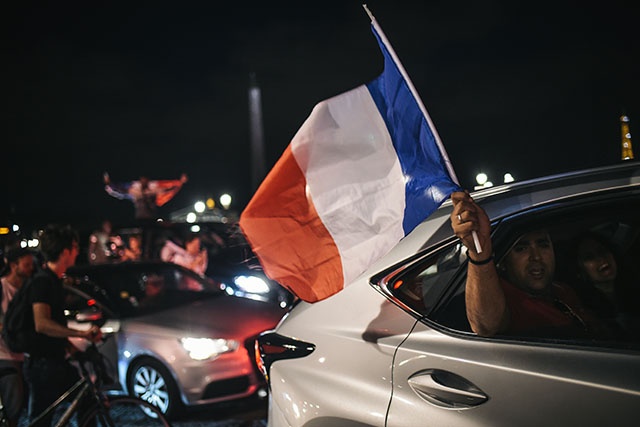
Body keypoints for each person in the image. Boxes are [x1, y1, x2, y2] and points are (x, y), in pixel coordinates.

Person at [450, 191, 605, 339]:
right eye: (521, 248)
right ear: (504, 262)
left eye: (543, 244)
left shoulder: (563, 291)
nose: (536, 257)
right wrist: (480, 253)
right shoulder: (505, 299)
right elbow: (486, 326)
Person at [22, 224, 102, 426]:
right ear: (65, 251)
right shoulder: (42, 281)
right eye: (75, 247)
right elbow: (42, 324)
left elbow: (54, 326)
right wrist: (81, 334)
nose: (77, 252)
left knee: (87, 401)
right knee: (41, 420)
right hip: (43, 365)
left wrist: (72, 349)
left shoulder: (53, 280)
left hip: (54, 361)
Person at [568, 232, 640, 338]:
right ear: (579, 270)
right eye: (589, 257)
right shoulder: (586, 309)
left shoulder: (634, 288)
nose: (601, 259)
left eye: (602, 251)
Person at [1, 247, 35, 427]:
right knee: (12, 408)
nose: (30, 268)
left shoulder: (27, 289)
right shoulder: (2, 287)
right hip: (4, 356)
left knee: (19, 406)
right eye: (26, 265)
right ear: (14, 266)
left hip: (22, 355)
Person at [103, 172, 188, 221]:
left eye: (146, 179)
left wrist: (179, 182)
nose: (144, 181)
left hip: (152, 217)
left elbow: (168, 186)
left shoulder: (153, 189)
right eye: (142, 179)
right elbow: (121, 190)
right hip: (140, 217)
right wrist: (110, 185)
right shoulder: (135, 190)